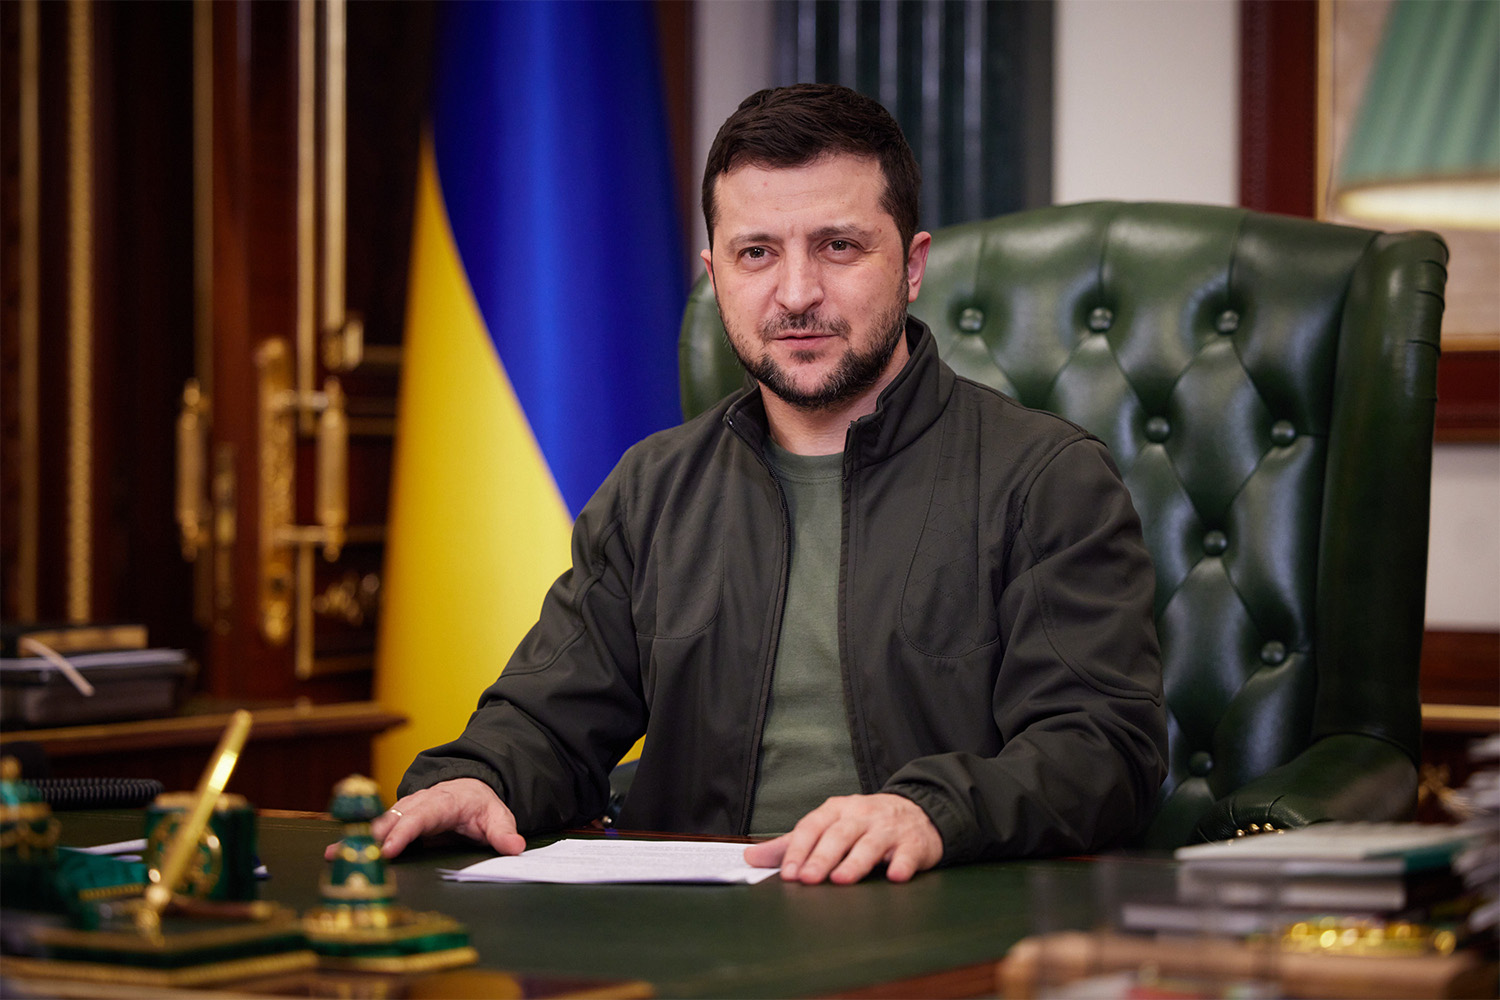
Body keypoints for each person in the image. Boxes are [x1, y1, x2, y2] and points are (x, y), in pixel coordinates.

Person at [364, 84, 1168, 885]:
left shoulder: (1048, 480)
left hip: (937, 920)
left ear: (914, 266)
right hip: (692, 940)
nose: (796, 294)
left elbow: (1102, 752)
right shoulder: (653, 489)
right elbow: (548, 718)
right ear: (716, 274)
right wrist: (479, 779)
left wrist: (929, 811)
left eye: (839, 247)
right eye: (757, 253)